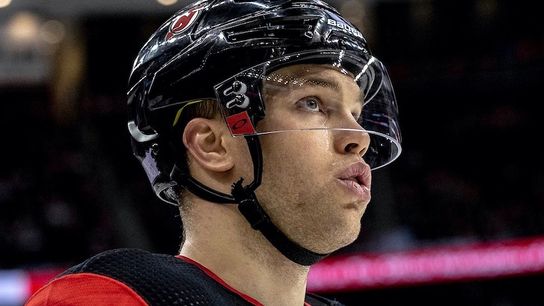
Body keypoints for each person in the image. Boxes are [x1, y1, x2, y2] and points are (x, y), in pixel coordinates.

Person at [26, 0, 401, 305]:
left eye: (356, 113)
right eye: (312, 103)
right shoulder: (111, 298)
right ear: (213, 145)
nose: (359, 137)